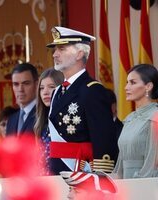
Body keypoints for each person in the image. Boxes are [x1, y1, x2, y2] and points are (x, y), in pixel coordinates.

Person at [46, 26, 118, 175]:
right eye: (55, 50)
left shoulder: (93, 90)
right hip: (57, 173)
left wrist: (101, 177)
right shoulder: (57, 91)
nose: (55, 54)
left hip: (81, 173)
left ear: (79, 54)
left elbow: (103, 139)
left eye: (61, 49)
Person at [113, 64, 158, 179]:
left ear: (148, 86)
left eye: (132, 83)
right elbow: (120, 163)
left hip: (145, 186)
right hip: (127, 186)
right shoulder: (129, 119)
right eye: (127, 82)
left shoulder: (155, 117)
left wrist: (135, 187)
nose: (126, 87)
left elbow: (152, 164)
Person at [34, 68, 64, 175]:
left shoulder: (66, 121)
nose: (45, 92)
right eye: (41, 88)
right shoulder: (41, 123)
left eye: (51, 87)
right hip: (43, 182)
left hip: (62, 181)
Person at [6, 62, 38, 136]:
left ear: (36, 85)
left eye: (26, 83)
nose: (20, 89)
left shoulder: (44, 115)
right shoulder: (11, 120)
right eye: (16, 84)